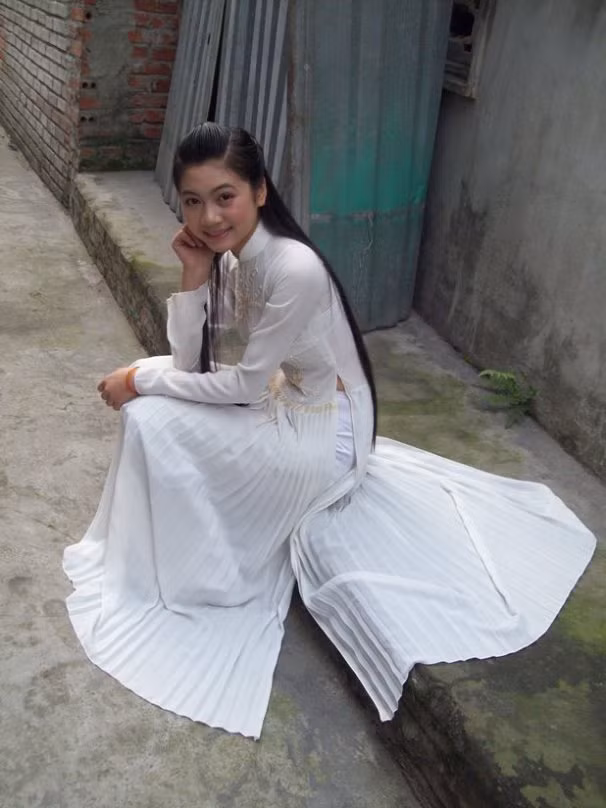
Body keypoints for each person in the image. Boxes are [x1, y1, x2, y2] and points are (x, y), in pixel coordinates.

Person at [63, 123, 596, 739]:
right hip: (285, 402)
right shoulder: (238, 257)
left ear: (260, 190)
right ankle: (175, 559)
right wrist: (194, 273)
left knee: (151, 407)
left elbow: (239, 386)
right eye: (192, 201)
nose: (208, 217)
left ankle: (200, 571)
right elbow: (192, 361)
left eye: (224, 196)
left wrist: (138, 379)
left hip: (326, 434)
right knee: (152, 401)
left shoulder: (294, 268)